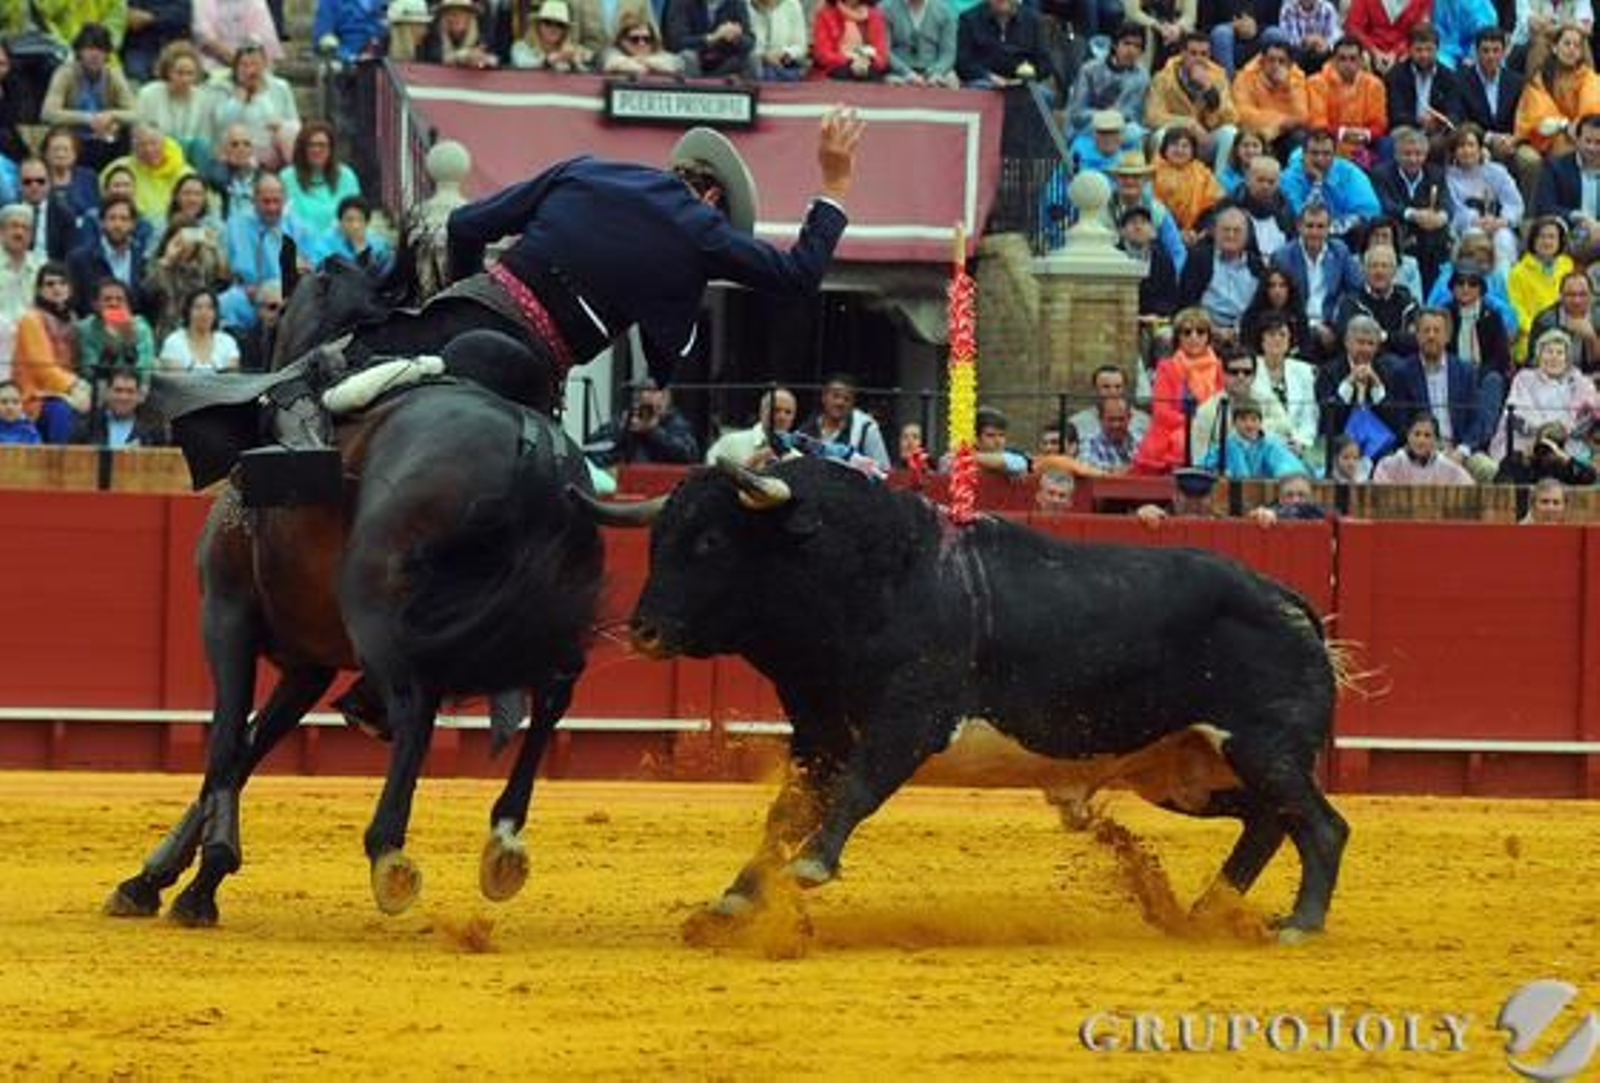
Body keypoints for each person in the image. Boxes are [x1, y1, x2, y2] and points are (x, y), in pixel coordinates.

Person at [444, 110, 861, 402]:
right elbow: (799, 275)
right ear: (712, 198)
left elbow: (463, 225)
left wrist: (463, 300)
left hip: (466, 310)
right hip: (533, 361)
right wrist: (836, 183)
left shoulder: (585, 169)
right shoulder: (703, 229)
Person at [1134, 306, 1224, 473]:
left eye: (1200, 332)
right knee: (1182, 442)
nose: (1194, 337)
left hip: (1212, 431)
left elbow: (1222, 407)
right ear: (1178, 337)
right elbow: (1161, 412)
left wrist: (1205, 424)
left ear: (1208, 337)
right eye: (1187, 332)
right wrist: (1195, 423)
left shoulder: (1220, 368)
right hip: (1173, 433)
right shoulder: (1166, 367)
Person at [40, 24, 137, 174]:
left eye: (100, 49)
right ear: (79, 51)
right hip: (74, 141)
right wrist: (89, 119)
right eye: (89, 48)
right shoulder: (65, 73)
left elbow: (136, 114)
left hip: (105, 140)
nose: (95, 54)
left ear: (107, 54)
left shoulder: (113, 74)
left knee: (129, 132)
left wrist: (111, 115)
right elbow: (48, 113)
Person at [1272, 200, 1362, 360]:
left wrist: (1336, 321)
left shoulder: (1340, 251)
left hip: (1333, 325)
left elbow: (1355, 289)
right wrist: (1313, 327)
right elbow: (1280, 301)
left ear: (1329, 228)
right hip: (1297, 326)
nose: (1314, 232)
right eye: (1310, 226)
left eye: (1320, 227)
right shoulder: (1283, 257)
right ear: (1299, 227)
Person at [1493, 328, 1600, 458]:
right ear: (1539, 355)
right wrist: (1542, 430)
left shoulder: (1578, 380)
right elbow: (1514, 413)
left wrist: (1565, 430)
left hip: (1567, 443)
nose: (1554, 357)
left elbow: (1591, 413)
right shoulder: (1525, 378)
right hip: (1527, 441)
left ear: (1567, 359)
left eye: (1560, 353)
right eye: (1549, 352)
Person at [1372, 126, 1454, 294]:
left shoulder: (1436, 173)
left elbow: (1447, 203)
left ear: (1426, 154)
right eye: (1407, 154)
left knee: (1440, 238)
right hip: (1400, 230)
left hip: (1429, 234)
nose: (1413, 159)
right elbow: (1385, 204)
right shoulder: (1381, 174)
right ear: (1396, 155)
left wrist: (1441, 217)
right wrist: (1413, 214)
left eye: (1418, 154)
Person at [12, 263, 87, 443]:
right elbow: (44, 370)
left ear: (70, 289)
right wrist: (77, 386)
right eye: (50, 284)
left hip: (69, 393)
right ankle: (58, 461)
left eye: (62, 283)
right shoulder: (30, 320)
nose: (57, 288)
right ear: (39, 290)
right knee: (61, 410)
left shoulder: (72, 321)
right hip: (36, 397)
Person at [1146, 32, 1239, 166]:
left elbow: (1232, 118)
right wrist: (1190, 124)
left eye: (1204, 54)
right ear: (1182, 54)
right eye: (1193, 53)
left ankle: (1221, 177)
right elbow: (1153, 117)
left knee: (1230, 133)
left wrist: (1209, 91)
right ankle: (1163, 175)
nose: (1199, 59)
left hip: (1205, 141)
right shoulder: (1163, 77)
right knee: (1160, 134)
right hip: (1176, 142)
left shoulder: (1218, 76)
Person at [1190, 348, 1294, 462]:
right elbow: (1199, 457)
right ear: (1223, 374)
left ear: (1254, 375)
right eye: (1234, 372)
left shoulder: (1267, 400)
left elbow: (1286, 426)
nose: (1241, 377)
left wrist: (1254, 429)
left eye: (1247, 372)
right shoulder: (1207, 411)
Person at [1445, 123, 1525, 271]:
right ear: (1454, 151)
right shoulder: (1449, 177)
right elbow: (1454, 210)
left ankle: (1502, 282)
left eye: (1471, 145)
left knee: (1503, 238)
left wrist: (1503, 220)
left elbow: (1514, 203)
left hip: (1498, 224)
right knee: (1475, 237)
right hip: (1466, 229)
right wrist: (1475, 220)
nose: (1467, 151)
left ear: (1480, 148)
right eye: (1461, 146)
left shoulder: (1497, 172)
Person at [1514, 24, 1600, 159]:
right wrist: (1564, 125)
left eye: (1577, 46)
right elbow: (1539, 117)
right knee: (1561, 142)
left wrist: (1579, 127)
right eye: (1567, 43)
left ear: (1581, 53)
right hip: (1550, 139)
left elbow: (1593, 108)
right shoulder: (1540, 79)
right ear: (1554, 48)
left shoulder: (1589, 77)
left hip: (1585, 136)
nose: (1572, 49)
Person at [278, 121, 361, 261]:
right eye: (311, 145)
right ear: (302, 148)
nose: (316, 150)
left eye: (322, 145)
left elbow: (357, 221)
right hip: (299, 258)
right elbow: (280, 224)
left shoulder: (347, 177)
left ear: (331, 149)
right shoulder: (286, 178)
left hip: (340, 256)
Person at [211, 41, 300, 170]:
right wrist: (238, 102)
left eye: (255, 64)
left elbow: (294, 124)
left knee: (290, 130)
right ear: (236, 67)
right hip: (239, 149)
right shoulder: (223, 87)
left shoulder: (281, 87)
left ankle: (295, 172)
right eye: (244, 65)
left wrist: (260, 95)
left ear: (265, 64)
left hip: (272, 148)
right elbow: (221, 125)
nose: (250, 70)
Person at [136, 42, 218, 173]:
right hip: (156, 156)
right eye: (179, 73)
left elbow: (205, 141)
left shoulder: (204, 99)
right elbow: (141, 135)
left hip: (191, 161)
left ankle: (199, 182)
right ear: (168, 72)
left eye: (190, 73)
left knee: (201, 145)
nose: (185, 79)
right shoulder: (148, 94)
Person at [1251, 311, 1320, 463]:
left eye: (1282, 335)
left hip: (1296, 447)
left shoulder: (1304, 371)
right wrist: (1277, 443)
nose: (1277, 339)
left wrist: (1300, 444)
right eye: (1271, 334)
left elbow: (1309, 418)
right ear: (1261, 339)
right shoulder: (1249, 369)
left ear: (1289, 340)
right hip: (1259, 445)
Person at [1307, 38, 1387, 165]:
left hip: (1364, 140)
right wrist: (1344, 133)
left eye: (1353, 59)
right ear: (1333, 61)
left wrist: (1365, 134)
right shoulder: (1316, 82)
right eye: (1342, 59)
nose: (1347, 64)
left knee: (1386, 144)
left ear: (1361, 61)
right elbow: (1318, 123)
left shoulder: (1375, 84)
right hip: (1329, 140)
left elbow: (1380, 123)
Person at [1064, 22, 1148, 137]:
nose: (1131, 50)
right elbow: (1077, 114)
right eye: (1126, 43)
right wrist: (1107, 116)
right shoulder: (1089, 69)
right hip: (1086, 130)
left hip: (1120, 131)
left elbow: (1132, 115)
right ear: (1115, 45)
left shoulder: (1141, 76)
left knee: (1135, 133)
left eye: (1137, 46)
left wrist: (1113, 118)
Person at [588, 380, 700, 466]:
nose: (646, 395)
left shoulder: (674, 422)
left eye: (653, 392)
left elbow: (688, 455)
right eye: (642, 392)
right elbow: (592, 447)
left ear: (665, 397)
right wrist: (621, 429)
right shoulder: (628, 419)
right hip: (628, 479)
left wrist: (653, 431)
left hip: (663, 480)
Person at [795, 373, 891, 471]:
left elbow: (883, 470)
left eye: (847, 399)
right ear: (824, 397)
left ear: (853, 403)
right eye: (835, 396)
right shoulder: (806, 429)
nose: (840, 402)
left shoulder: (866, 428)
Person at [1200, 395, 1305, 479]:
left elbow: (1287, 466)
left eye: (1254, 419)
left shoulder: (1270, 444)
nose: (1249, 424)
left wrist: (1285, 476)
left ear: (1260, 422)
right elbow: (1204, 467)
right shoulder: (1225, 446)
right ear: (1234, 422)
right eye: (1243, 419)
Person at [77, 278, 156, 386]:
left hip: (133, 388)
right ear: (95, 304)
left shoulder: (141, 328)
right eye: (107, 299)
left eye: (119, 299)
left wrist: (129, 344)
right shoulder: (85, 329)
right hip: (98, 387)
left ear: (128, 305)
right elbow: (90, 374)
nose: (114, 303)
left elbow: (143, 373)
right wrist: (111, 349)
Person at [954, 0, 1051, 89]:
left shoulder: (1034, 20)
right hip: (983, 82)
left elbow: (1045, 63)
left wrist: (1024, 79)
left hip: (1025, 84)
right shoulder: (969, 19)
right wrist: (989, 77)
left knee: (1039, 95)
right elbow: (963, 63)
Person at [70, 364, 166, 447]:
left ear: (139, 395)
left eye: (130, 391)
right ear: (107, 392)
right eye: (118, 390)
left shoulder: (154, 428)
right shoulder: (88, 425)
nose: (123, 397)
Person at [1511, 217, 1576, 337]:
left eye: (1552, 237)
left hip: (1566, 333)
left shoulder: (1568, 265)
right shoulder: (1517, 272)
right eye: (1541, 236)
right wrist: (1539, 330)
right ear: (1533, 240)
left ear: (1560, 241)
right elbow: (1517, 311)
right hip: (1532, 336)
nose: (1546, 242)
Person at [1371, 410, 1476, 483]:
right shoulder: (1389, 465)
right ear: (1408, 436)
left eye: (1427, 435)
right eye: (1417, 434)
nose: (1421, 440)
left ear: (1436, 440)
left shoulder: (1447, 467)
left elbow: (1469, 488)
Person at [705, 386, 797, 467]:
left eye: (788, 412)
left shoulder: (795, 457)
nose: (782, 417)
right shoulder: (730, 443)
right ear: (761, 412)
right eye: (776, 410)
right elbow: (710, 476)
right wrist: (754, 460)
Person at [664, 0, 756, 77]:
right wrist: (711, 38)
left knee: (751, 61)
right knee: (688, 57)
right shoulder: (679, 2)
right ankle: (693, 90)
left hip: (722, 62)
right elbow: (675, 42)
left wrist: (737, 38)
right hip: (694, 59)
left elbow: (749, 40)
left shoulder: (736, 3)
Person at [159, 288, 241, 373]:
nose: (204, 313)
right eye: (198, 307)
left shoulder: (228, 342)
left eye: (210, 308)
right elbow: (175, 379)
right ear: (188, 312)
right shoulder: (174, 342)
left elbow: (230, 378)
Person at [812, 0, 888, 81]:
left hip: (868, 66)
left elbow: (881, 57)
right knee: (844, 74)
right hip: (837, 68)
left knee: (871, 75)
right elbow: (823, 55)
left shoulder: (875, 16)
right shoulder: (825, 15)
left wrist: (868, 59)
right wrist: (850, 60)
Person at [510, 0, 596, 70]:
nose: (553, 28)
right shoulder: (521, 47)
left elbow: (591, 68)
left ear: (565, 30)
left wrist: (575, 64)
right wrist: (549, 60)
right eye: (548, 22)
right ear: (537, 25)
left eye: (559, 24)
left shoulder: (573, 50)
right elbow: (522, 64)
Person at [601, 13, 686, 75]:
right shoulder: (611, 52)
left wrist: (640, 59)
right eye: (635, 39)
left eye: (647, 39)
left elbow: (674, 64)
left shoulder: (658, 52)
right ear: (623, 41)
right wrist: (653, 65)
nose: (641, 43)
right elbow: (612, 63)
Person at [750, 0, 810, 81]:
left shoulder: (792, 4)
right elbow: (749, 46)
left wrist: (784, 53)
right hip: (758, 67)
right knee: (766, 73)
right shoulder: (749, 6)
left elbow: (801, 47)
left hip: (788, 66)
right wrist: (763, 56)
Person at [1247, 471, 1329, 523]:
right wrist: (1258, 514)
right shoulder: (1272, 507)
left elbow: (1300, 511)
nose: (1296, 500)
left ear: (1309, 497)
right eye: (1289, 495)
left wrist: (1276, 514)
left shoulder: (1316, 511)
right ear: (1280, 498)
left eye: (1301, 495)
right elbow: (1253, 515)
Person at [0, 379, 41, 444]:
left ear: (22, 405)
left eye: (15, 402)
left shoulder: (30, 432)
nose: (10, 407)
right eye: (4, 402)